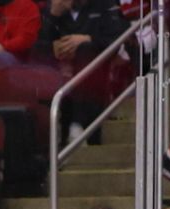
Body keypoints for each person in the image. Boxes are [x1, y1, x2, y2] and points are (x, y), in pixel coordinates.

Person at [34, 0, 127, 144]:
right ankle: (59, 137)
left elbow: (116, 38)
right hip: (59, 70)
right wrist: (53, 15)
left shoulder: (105, 5)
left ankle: (78, 124)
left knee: (85, 51)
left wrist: (87, 39)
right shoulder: (51, 9)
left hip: (96, 70)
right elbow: (38, 45)